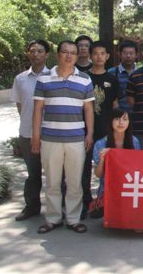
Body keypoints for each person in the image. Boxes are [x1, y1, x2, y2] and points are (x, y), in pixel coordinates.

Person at [32, 40, 94, 234]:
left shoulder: (84, 79)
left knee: (75, 182)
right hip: (50, 138)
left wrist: (90, 134)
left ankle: (73, 219)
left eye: (73, 53)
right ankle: (53, 218)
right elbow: (37, 110)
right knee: (52, 182)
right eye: (65, 52)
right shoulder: (44, 79)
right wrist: (36, 136)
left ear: (77, 56)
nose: (69, 56)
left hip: (76, 138)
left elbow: (89, 109)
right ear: (58, 54)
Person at [11, 39, 50, 221]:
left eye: (40, 51)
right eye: (32, 51)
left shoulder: (54, 76)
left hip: (51, 134)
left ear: (47, 54)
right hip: (27, 133)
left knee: (56, 175)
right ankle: (32, 207)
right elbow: (20, 106)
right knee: (33, 173)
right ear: (28, 54)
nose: (36, 54)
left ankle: (58, 209)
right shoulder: (20, 79)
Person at [84, 41, 119, 219]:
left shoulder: (112, 79)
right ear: (90, 56)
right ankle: (85, 202)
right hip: (84, 130)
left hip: (106, 129)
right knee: (84, 168)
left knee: (106, 169)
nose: (99, 57)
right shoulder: (83, 77)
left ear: (107, 56)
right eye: (95, 53)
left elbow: (115, 105)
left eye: (102, 53)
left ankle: (104, 203)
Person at [92, 108, 140, 218]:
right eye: (117, 119)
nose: (121, 122)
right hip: (108, 189)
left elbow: (137, 170)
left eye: (125, 119)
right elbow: (98, 175)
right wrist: (102, 159)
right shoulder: (100, 144)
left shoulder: (134, 142)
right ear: (111, 121)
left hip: (129, 187)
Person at [107, 40, 137, 113]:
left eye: (131, 53)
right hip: (117, 115)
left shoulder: (141, 73)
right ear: (119, 54)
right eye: (125, 53)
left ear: (136, 55)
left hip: (138, 115)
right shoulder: (111, 73)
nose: (128, 56)